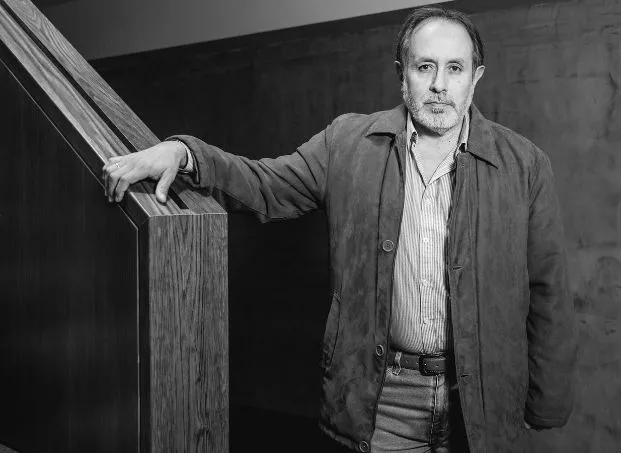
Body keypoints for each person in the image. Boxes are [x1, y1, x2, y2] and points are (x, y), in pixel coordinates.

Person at [103, 6, 576, 452]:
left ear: (476, 77)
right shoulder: (348, 143)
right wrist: (185, 153)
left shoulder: (524, 164)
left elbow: (548, 289)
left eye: (455, 68)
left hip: (482, 399)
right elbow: (265, 185)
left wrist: (545, 400)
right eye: (425, 67)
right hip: (384, 401)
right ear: (402, 74)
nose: (439, 85)